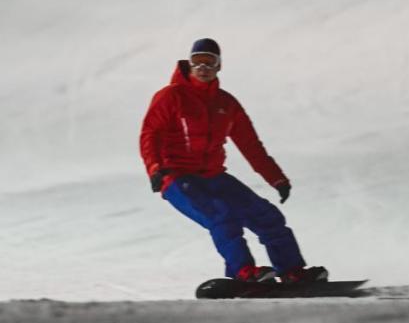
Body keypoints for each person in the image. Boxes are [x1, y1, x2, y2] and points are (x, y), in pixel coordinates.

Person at [139, 38, 327, 284]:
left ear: (219, 66)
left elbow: (250, 145)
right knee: (221, 217)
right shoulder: (170, 96)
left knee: (267, 216)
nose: (203, 67)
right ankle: (243, 272)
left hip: (214, 176)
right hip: (176, 177)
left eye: (210, 61)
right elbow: (150, 133)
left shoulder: (226, 103)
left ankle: (292, 271)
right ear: (189, 63)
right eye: (198, 61)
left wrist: (276, 178)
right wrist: (155, 169)